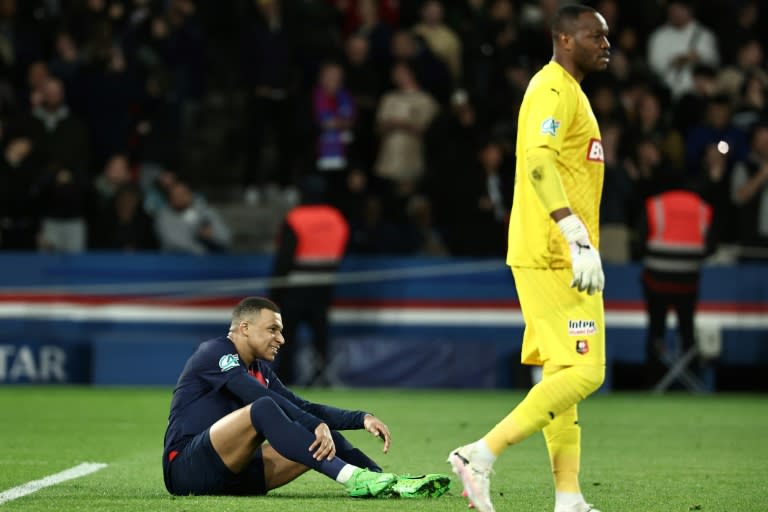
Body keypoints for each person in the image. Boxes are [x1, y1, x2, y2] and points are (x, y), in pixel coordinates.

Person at [448, 6, 610, 512]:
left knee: (565, 376)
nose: (606, 43)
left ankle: (568, 497)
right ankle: (480, 453)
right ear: (564, 37)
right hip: (555, 253)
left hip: (551, 251)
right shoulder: (554, 89)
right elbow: (538, 159)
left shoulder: (568, 91)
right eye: (595, 35)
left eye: (607, 36)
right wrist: (574, 233)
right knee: (587, 373)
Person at [163, 296, 450, 498]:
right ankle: (352, 477)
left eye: (282, 331)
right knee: (267, 408)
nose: (281, 339)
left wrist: (361, 418)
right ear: (245, 328)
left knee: (322, 433)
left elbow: (302, 406)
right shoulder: (214, 352)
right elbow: (254, 396)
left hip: (234, 475)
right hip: (186, 469)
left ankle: (382, 480)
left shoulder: (260, 369)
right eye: (273, 329)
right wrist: (314, 424)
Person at [270, 176, 349, 386]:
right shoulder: (336, 218)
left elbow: (284, 258)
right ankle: (322, 375)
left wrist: (275, 290)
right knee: (321, 334)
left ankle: (285, 378)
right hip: (324, 286)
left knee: (287, 336)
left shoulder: (296, 218)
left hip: (296, 287)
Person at [637, 183, 713, 391]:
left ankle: (652, 381)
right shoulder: (702, 207)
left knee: (656, 329)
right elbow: (711, 245)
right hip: (688, 283)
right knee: (687, 329)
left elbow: (639, 242)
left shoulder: (655, 204)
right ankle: (692, 381)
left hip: (656, 281)